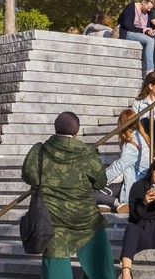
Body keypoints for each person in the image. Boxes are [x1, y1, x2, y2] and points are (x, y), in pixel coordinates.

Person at [23, 113, 113, 279]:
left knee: (56, 271)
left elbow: (28, 176)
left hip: (53, 221)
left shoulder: (40, 151)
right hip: (86, 220)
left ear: (55, 129)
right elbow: (100, 182)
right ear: (77, 132)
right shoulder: (88, 153)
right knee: (101, 269)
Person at [100, 109, 150, 209]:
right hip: (135, 182)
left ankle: (118, 204)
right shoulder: (141, 138)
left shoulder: (132, 144)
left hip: (132, 186)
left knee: (91, 193)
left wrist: (100, 179)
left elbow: (119, 166)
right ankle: (109, 204)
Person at [118, 0, 155, 72]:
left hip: (140, 34)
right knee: (150, 41)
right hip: (128, 32)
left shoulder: (148, 13)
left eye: (150, 8)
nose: (149, 10)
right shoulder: (131, 7)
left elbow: (146, 27)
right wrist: (142, 30)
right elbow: (127, 25)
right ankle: (150, 70)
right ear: (144, 2)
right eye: (148, 7)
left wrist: (150, 31)